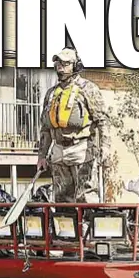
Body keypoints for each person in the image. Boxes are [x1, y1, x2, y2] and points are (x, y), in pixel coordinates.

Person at [37, 47, 111, 203]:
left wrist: (105, 148)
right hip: (58, 153)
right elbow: (45, 128)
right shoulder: (51, 93)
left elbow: (102, 120)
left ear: (76, 65)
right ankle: (65, 227)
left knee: (86, 197)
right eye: (58, 63)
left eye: (65, 63)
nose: (60, 67)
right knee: (61, 199)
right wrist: (42, 156)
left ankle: (87, 228)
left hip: (81, 150)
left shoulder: (87, 89)